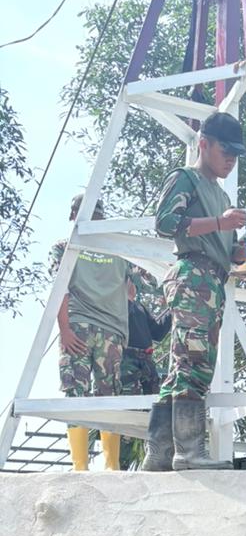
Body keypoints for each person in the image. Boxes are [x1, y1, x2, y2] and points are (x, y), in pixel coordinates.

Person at [144, 111, 246, 472]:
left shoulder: (220, 196)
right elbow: (165, 223)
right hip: (193, 277)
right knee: (195, 364)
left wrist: (243, 249)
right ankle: (188, 453)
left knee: (183, 367)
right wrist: (221, 223)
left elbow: (228, 252)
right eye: (225, 150)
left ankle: (158, 456)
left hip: (212, 280)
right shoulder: (186, 178)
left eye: (236, 153)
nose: (231, 159)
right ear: (203, 144)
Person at [51, 195, 133, 472]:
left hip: (79, 328)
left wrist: (64, 329)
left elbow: (59, 289)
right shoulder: (120, 253)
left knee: (76, 393)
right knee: (110, 395)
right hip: (112, 332)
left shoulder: (65, 247)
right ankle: (112, 465)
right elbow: (131, 293)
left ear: (74, 215)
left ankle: (80, 466)